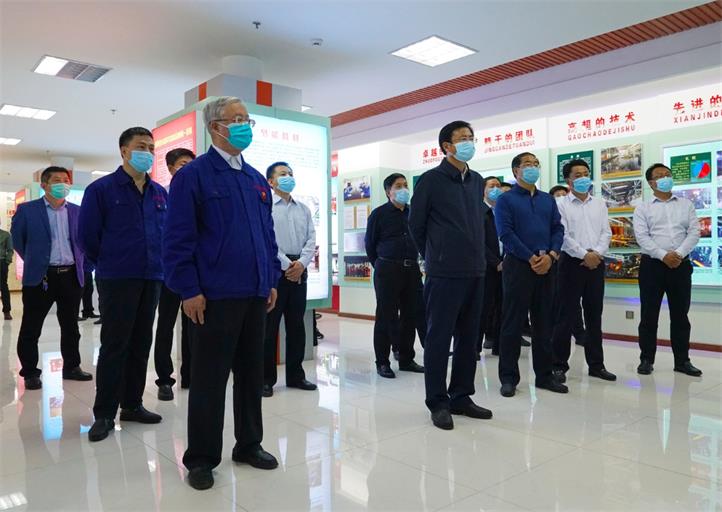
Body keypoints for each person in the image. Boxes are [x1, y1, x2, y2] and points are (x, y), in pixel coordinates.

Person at [163, 96, 280, 490]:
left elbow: (266, 234)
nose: (244, 125)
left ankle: (249, 444)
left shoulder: (255, 179)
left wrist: (270, 280)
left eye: (247, 119)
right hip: (213, 297)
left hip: (254, 293)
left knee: (251, 374)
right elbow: (177, 239)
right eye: (237, 119)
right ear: (215, 127)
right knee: (209, 380)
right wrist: (188, 289)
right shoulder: (193, 176)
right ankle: (201, 458)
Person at [79, 127, 167, 442]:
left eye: (151, 148)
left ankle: (132, 404)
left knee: (142, 342)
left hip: (152, 276)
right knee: (115, 345)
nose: (148, 152)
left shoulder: (159, 193)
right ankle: (104, 413)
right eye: (141, 146)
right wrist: (108, 261)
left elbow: (166, 233)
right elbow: (87, 237)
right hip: (117, 277)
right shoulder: (101, 190)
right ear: (124, 151)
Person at [409, 120, 492, 431]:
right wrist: (435, 255)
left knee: (470, 339)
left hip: (475, 269)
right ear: (447, 146)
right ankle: (438, 402)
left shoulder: (477, 180)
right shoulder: (431, 180)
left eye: (472, 137)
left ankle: (461, 396)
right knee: (439, 338)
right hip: (444, 272)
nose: (469, 142)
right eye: (463, 138)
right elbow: (416, 225)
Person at [11, 166, 92, 390]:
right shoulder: (27, 210)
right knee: (31, 327)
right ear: (44, 185)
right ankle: (30, 372)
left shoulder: (77, 211)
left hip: (71, 276)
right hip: (41, 277)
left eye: (66, 180)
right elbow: (18, 241)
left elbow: (84, 241)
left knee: (71, 327)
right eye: (57, 180)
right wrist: (36, 261)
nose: (63, 184)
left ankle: (72, 367)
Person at [495, 152, 568, 397]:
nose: (533, 167)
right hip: (518, 266)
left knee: (544, 323)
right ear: (516, 171)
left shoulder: (548, 200)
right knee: (512, 324)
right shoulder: (506, 200)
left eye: (536, 164)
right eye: (527, 164)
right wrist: (530, 257)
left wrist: (552, 256)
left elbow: (558, 229)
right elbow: (506, 233)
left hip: (547, 265)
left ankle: (545, 376)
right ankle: (508, 378)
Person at [633, 163, 702, 377]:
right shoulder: (643, 208)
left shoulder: (686, 204)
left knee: (681, 315)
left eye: (668, 174)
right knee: (649, 315)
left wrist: (678, 254)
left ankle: (682, 361)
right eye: (660, 175)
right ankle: (646, 359)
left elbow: (694, 232)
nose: (666, 178)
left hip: (680, 265)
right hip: (652, 266)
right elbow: (642, 237)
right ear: (651, 183)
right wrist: (664, 255)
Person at [551, 159, 616, 382]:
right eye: (577, 174)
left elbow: (606, 232)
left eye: (586, 173)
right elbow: (562, 234)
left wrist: (596, 253)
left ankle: (597, 365)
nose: (583, 177)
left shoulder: (599, 203)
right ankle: (558, 365)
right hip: (571, 263)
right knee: (565, 316)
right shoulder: (560, 204)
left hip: (596, 263)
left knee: (594, 315)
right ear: (568, 180)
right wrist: (583, 254)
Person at [263, 161, 318, 397]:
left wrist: (301, 264)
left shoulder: (303, 208)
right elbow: (267, 239)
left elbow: (311, 239)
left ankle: (296, 376)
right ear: (271, 181)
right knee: (269, 328)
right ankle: (265, 379)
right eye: (283, 174)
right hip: (276, 270)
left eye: (291, 173)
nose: (288, 177)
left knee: (297, 326)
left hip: (299, 270)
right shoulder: (266, 207)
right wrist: (287, 265)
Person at [365, 173, 425, 379]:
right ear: (388, 191)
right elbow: (370, 245)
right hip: (387, 270)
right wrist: (381, 265)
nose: (403, 189)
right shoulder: (379, 214)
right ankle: (382, 362)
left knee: (410, 315)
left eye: (405, 185)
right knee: (385, 316)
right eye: (398, 186)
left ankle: (406, 359)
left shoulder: (413, 212)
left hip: (412, 269)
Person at [154, 147, 195, 401]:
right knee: (166, 325)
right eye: (182, 164)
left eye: (191, 163)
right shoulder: (160, 196)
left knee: (193, 323)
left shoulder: (197, 194)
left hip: (193, 271)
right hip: (167, 272)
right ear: (170, 168)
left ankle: (190, 374)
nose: (188, 168)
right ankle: (164, 379)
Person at [479, 177, 504, 357]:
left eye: (498, 185)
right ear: (483, 190)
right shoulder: (478, 211)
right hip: (485, 268)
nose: (496, 189)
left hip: (506, 266)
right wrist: (495, 262)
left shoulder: (503, 211)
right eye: (492, 186)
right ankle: (474, 348)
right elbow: (477, 242)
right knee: (482, 308)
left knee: (503, 308)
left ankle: (499, 345)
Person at [0, 224, 13, 320]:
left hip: (1, 263)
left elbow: (10, 250)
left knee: (3, 287)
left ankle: (7, 311)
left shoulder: (6, 235)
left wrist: (7, 262)